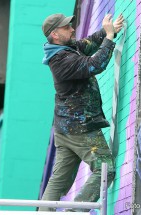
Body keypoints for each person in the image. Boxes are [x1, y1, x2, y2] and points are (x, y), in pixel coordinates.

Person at [39, 13, 124, 211]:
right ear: (55, 34)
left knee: (59, 179)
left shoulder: (67, 48)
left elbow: (89, 43)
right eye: (66, 27)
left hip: (66, 129)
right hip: (80, 128)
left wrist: (107, 30)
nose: (72, 29)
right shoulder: (61, 61)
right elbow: (96, 65)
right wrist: (110, 38)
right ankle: (75, 212)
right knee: (106, 170)